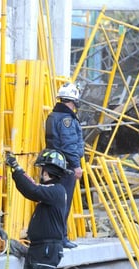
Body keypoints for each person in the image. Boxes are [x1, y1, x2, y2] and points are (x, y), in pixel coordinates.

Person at [5, 149, 71, 269]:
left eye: (41, 169)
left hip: (45, 250)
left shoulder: (56, 191)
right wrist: (16, 172)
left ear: (46, 172)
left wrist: (17, 169)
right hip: (38, 249)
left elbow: (32, 189)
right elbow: (31, 187)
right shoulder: (52, 191)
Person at [45, 82, 84, 249]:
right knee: (63, 203)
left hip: (54, 165)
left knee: (54, 202)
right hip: (65, 166)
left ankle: (54, 237)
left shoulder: (53, 115)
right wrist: (76, 166)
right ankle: (61, 238)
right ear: (73, 100)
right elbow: (69, 144)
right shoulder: (67, 119)